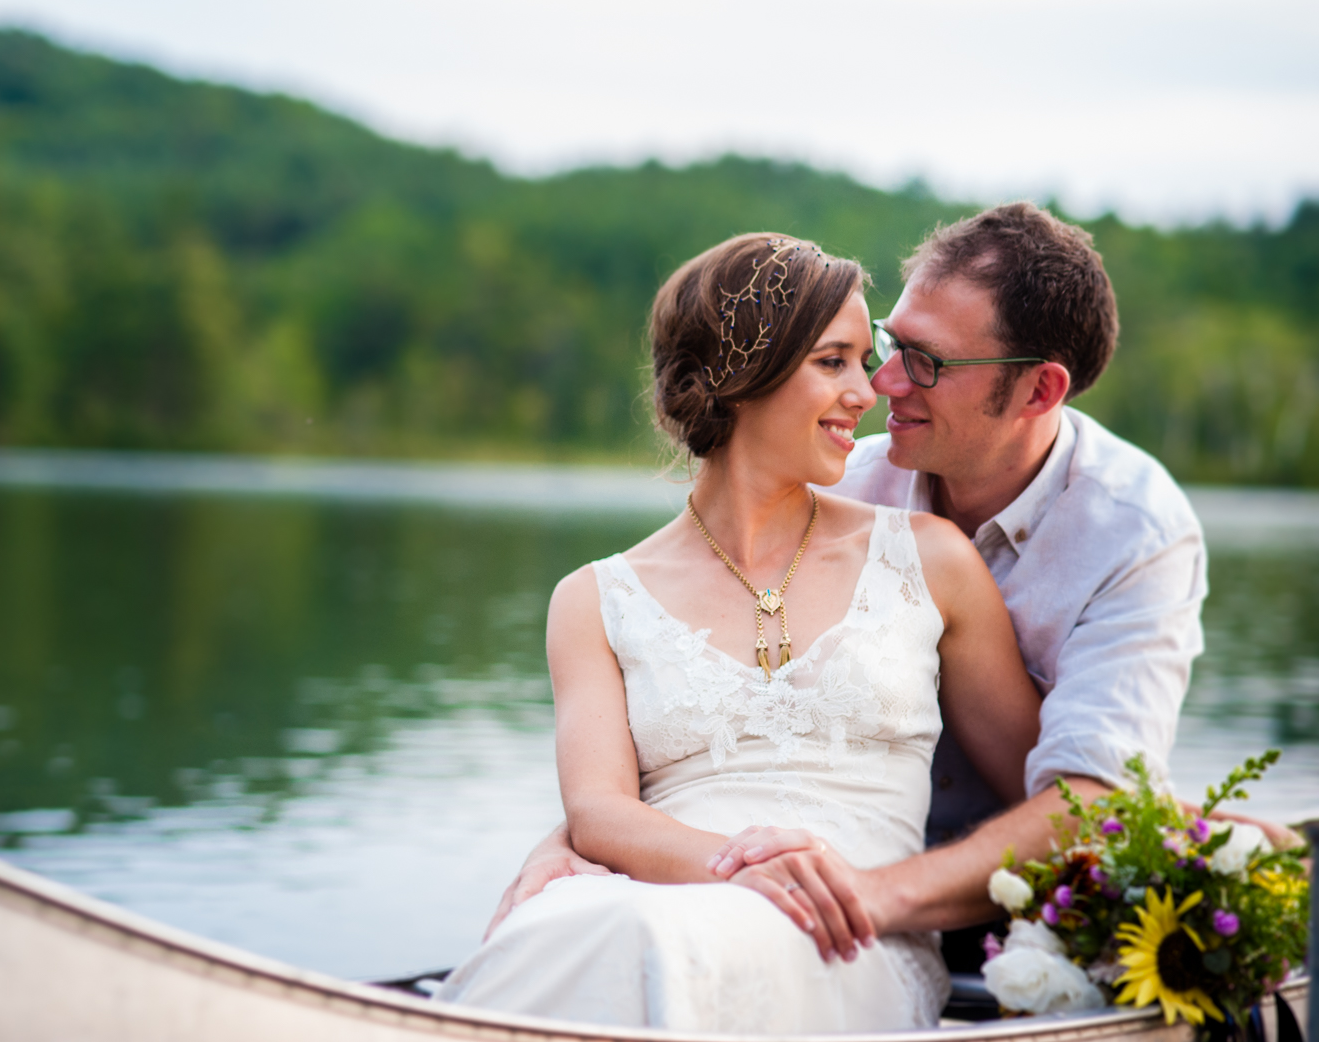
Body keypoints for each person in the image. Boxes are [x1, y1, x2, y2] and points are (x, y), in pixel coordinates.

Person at [488, 203, 1230, 976]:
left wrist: (852, 898)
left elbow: (1090, 807)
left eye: (926, 362)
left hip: (929, 915)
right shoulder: (833, 475)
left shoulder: (1130, 533)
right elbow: (657, 735)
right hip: (697, 893)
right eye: (881, 347)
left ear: (1040, 392)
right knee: (580, 939)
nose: (879, 385)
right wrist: (580, 833)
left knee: (686, 951)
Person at [432, 233, 1043, 1034]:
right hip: (653, 900)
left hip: (845, 939)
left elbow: (1052, 793)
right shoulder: (594, 599)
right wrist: (742, 867)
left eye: (867, 361)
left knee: (651, 935)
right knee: (570, 923)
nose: (868, 392)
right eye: (835, 362)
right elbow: (600, 814)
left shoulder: (929, 560)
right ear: (740, 376)